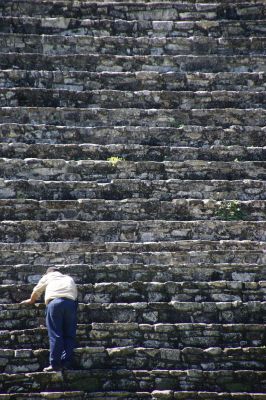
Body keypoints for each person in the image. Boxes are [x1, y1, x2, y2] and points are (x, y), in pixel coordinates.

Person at [21, 267, 78, 372]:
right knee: (69, 335)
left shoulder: (48, 277)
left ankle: (55, 364)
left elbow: (37, 290)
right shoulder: (68, 278)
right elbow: (75, 294)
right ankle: (66, 363)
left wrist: (31, 300)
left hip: (55, 304)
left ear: (48, 273)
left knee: (56, 334)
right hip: (70, 304)